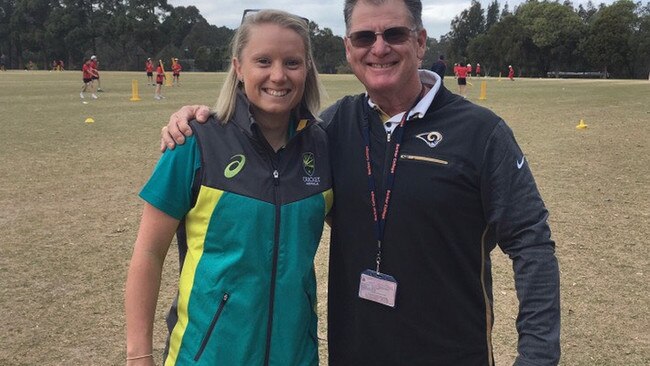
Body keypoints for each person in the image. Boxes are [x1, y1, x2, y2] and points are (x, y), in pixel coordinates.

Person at [161, 0, 561, 365]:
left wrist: (538, 356)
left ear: (420, 41)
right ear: (349, 48)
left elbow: (531, 240)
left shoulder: (481, 132)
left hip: (453, 352)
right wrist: (200, 120)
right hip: (354, 353)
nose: (379, 48)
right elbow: (263, 148)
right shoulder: (329, 130)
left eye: (395, 34)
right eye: (365, 37)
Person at [125, 9, 332, 366]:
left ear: (308, 68)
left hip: (295, 356)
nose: (278, 75)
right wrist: (138, 355)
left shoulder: (324, 147)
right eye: (263, 61)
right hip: (205, 355)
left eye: (292, 62)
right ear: (238, 67)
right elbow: (148, 252)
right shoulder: (195, 141)